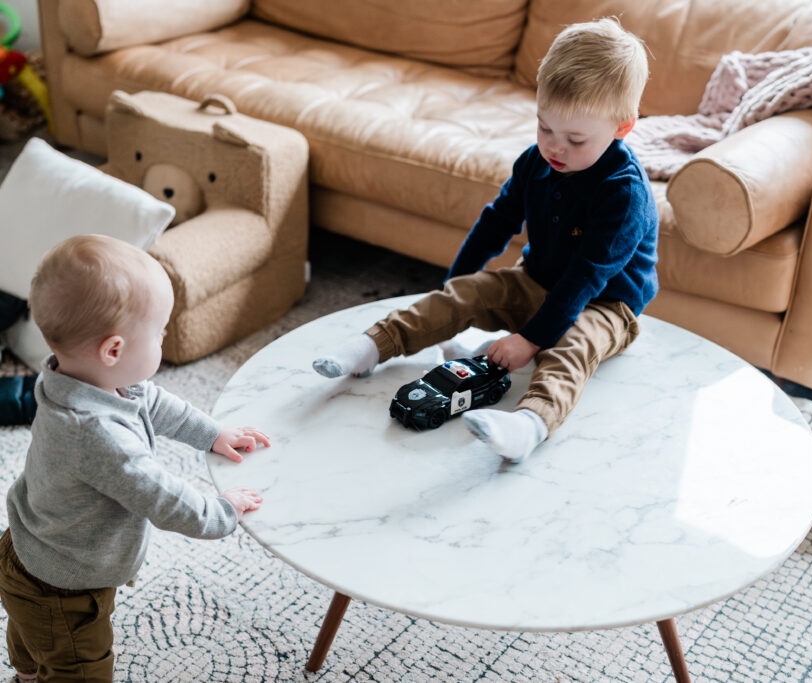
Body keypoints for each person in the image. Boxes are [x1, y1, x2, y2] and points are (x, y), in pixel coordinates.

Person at [313, 17, 658, 462]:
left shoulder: (623, 193)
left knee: (571, 347)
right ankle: (372, 346)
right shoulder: (537, 162)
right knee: (467, 292)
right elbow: (496, 223)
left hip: (606, 303)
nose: (555, 148)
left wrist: (528, 341)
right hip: (536, 278)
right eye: (544, 127)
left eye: (575, 139)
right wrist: (455, 290)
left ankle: (530, 423)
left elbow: (586, 277)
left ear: (622, 128)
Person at [0, 234, 269, 682]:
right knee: (75, 664)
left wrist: (212, 434)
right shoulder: (95, 435)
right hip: (62, 588)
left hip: (29, 551)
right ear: (114, 351)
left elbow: (154, 403)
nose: (164, 339)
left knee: (33, 639)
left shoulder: (79, 377)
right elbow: (161, 496)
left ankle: (27, 673)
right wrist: (223, 511)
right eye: (160, 332)